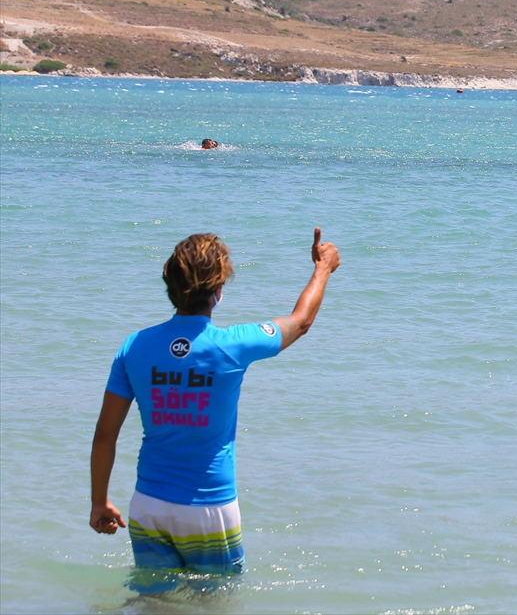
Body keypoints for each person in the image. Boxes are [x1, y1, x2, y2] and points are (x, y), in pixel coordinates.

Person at [90, 227, 340, 580]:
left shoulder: (134, 347)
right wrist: (323, 269)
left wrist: (98, 501)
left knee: (152, 602)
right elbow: (301, 322)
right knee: (213, 603)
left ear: (169, 283)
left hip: (148, 505)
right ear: (218, 290)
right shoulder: (232, 345)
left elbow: (105, 434)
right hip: (208, 508)